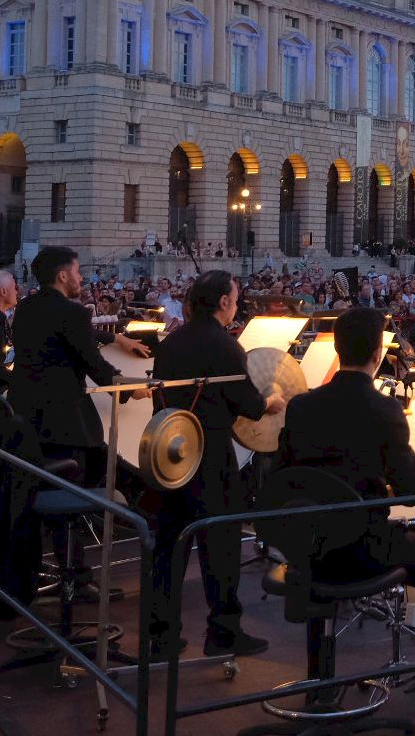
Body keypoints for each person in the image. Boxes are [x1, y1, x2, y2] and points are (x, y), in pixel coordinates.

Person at [275, 306, 415, 720]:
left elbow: (287, 478)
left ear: (338, 349)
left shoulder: (301, 407)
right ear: (379, 353)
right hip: (360, 548)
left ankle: (319, 685)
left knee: (320, 534)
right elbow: (409, 490)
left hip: (304, 546)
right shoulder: (384, 409)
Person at [149, 270, 284, 659]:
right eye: (236, 299)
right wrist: (272, 401)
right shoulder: (223, 346)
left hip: (172, 452)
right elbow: (248, 405)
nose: (237, 305)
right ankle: (223, 632)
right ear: (223, 302)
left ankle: (162, 636)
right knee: (221, 546)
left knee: (169, 547)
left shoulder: (172, 342)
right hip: (210, 454)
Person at [9, 247, 151, 488]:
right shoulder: (73, 312)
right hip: (61, 420)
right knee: (93, 463)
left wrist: (116, 338)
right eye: (77, 271)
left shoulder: (25, 307)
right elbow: (93, 363)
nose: (81, 278)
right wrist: (129, 388)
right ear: (63, 276)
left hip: (23, 410)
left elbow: (61, 333)